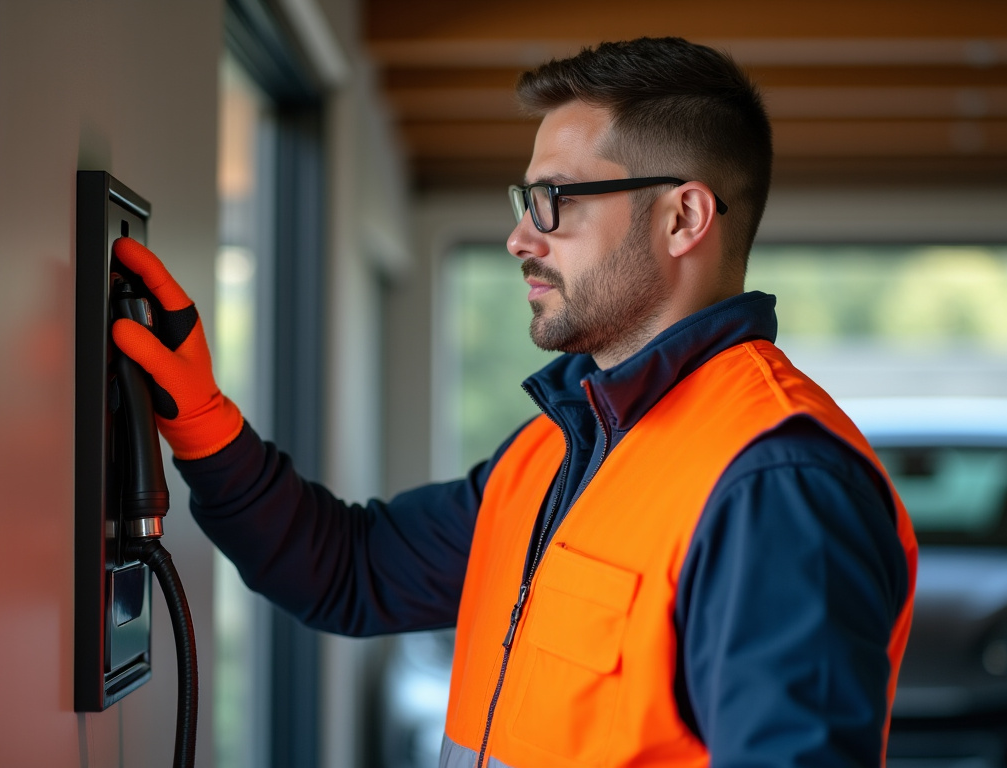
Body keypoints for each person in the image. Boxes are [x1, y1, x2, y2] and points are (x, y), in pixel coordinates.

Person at [112, 37, 918, 768]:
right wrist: (202, 421)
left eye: (555, 200)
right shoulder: (555, 452)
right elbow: (347, 570)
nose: (520, 238)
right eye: (524, 201)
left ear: (683, 217)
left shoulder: (777, 482)